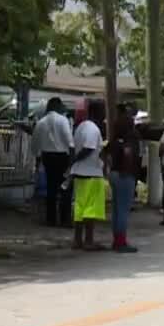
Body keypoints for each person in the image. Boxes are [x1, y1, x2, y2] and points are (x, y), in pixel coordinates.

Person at [70, 99, 107, 251]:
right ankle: (89, 241)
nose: (105, 115)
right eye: (103, 111)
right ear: (97, 112)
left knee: (79, 208)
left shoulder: (81, 126)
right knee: (90, 209)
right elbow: (89, 148)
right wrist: (75, 159)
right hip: (91, 172)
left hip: (80, 172)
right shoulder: (93, 128)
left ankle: (77, 240)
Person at [30, 97, 73, 227]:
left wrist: (37, 156)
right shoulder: (63, 120)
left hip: (48, 157)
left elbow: (34, 143)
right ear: (57, 106)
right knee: (65, 187)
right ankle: (64, 219)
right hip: (62, 157)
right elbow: (69, 141)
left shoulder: (41, 122)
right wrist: (71, 158)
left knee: (51, 188)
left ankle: (51, 219)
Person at [109, 105, 142, 252]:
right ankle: (121, 242)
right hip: (125, 175)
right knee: (123, 210)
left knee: (116, 209)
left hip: (114, 173)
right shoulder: (131, 138)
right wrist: (127, 169)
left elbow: (105, 153)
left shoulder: (115, 139)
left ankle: (116, 239)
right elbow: (128, 153)